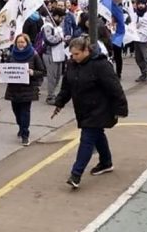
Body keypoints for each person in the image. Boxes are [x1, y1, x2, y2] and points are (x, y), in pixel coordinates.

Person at [53, 37, 128, 189]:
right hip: (83, 109)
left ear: (86, 51)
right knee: (97, 134)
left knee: (87, 139)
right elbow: (67, 87)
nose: (73, 58)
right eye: (71, 55)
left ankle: (76, 174)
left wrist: (121, 109)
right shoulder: (72, 65)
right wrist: (60, 103)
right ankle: (106, 162)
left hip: (100, 108)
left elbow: (114, 87)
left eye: (76, 54)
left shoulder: (101, 65)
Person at [6, 34, 46, 146]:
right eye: (18, 42)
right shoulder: (12, 54)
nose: (20, 44)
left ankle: (25, 134)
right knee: (16, 111)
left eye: (22, 42)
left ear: (27, 43)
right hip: (13, 88)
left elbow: (42, 71)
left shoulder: (33, 54)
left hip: (27, 89)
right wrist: (2, 73)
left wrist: (33, 73)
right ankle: (21, 126)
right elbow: (6, 67)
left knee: (25, 112)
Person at [41, 7, 67, 103]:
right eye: (61, 18)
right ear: (56, 16)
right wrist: (59, 39)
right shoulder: (47, 26)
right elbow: (49, 40)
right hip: (50, 54)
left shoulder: (58, 26)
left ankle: (54, 93)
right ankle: (50, 96)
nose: (62, 20)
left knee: (58, 76)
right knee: (52, 77)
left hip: (59, 54)